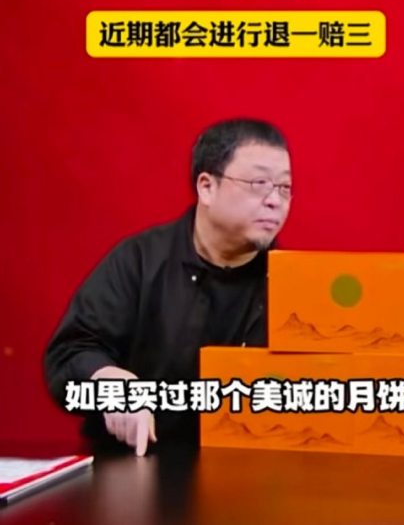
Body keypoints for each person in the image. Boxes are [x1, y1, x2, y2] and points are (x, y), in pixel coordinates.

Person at [43, 118, 292, 456]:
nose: (275, 200)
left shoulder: (291, 284)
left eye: (284, 187)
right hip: (134, 465)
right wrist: (109, 381)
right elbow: (70, 354)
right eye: (259, 183)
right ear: (207, 186)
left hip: (246, 473)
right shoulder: (140, 261)